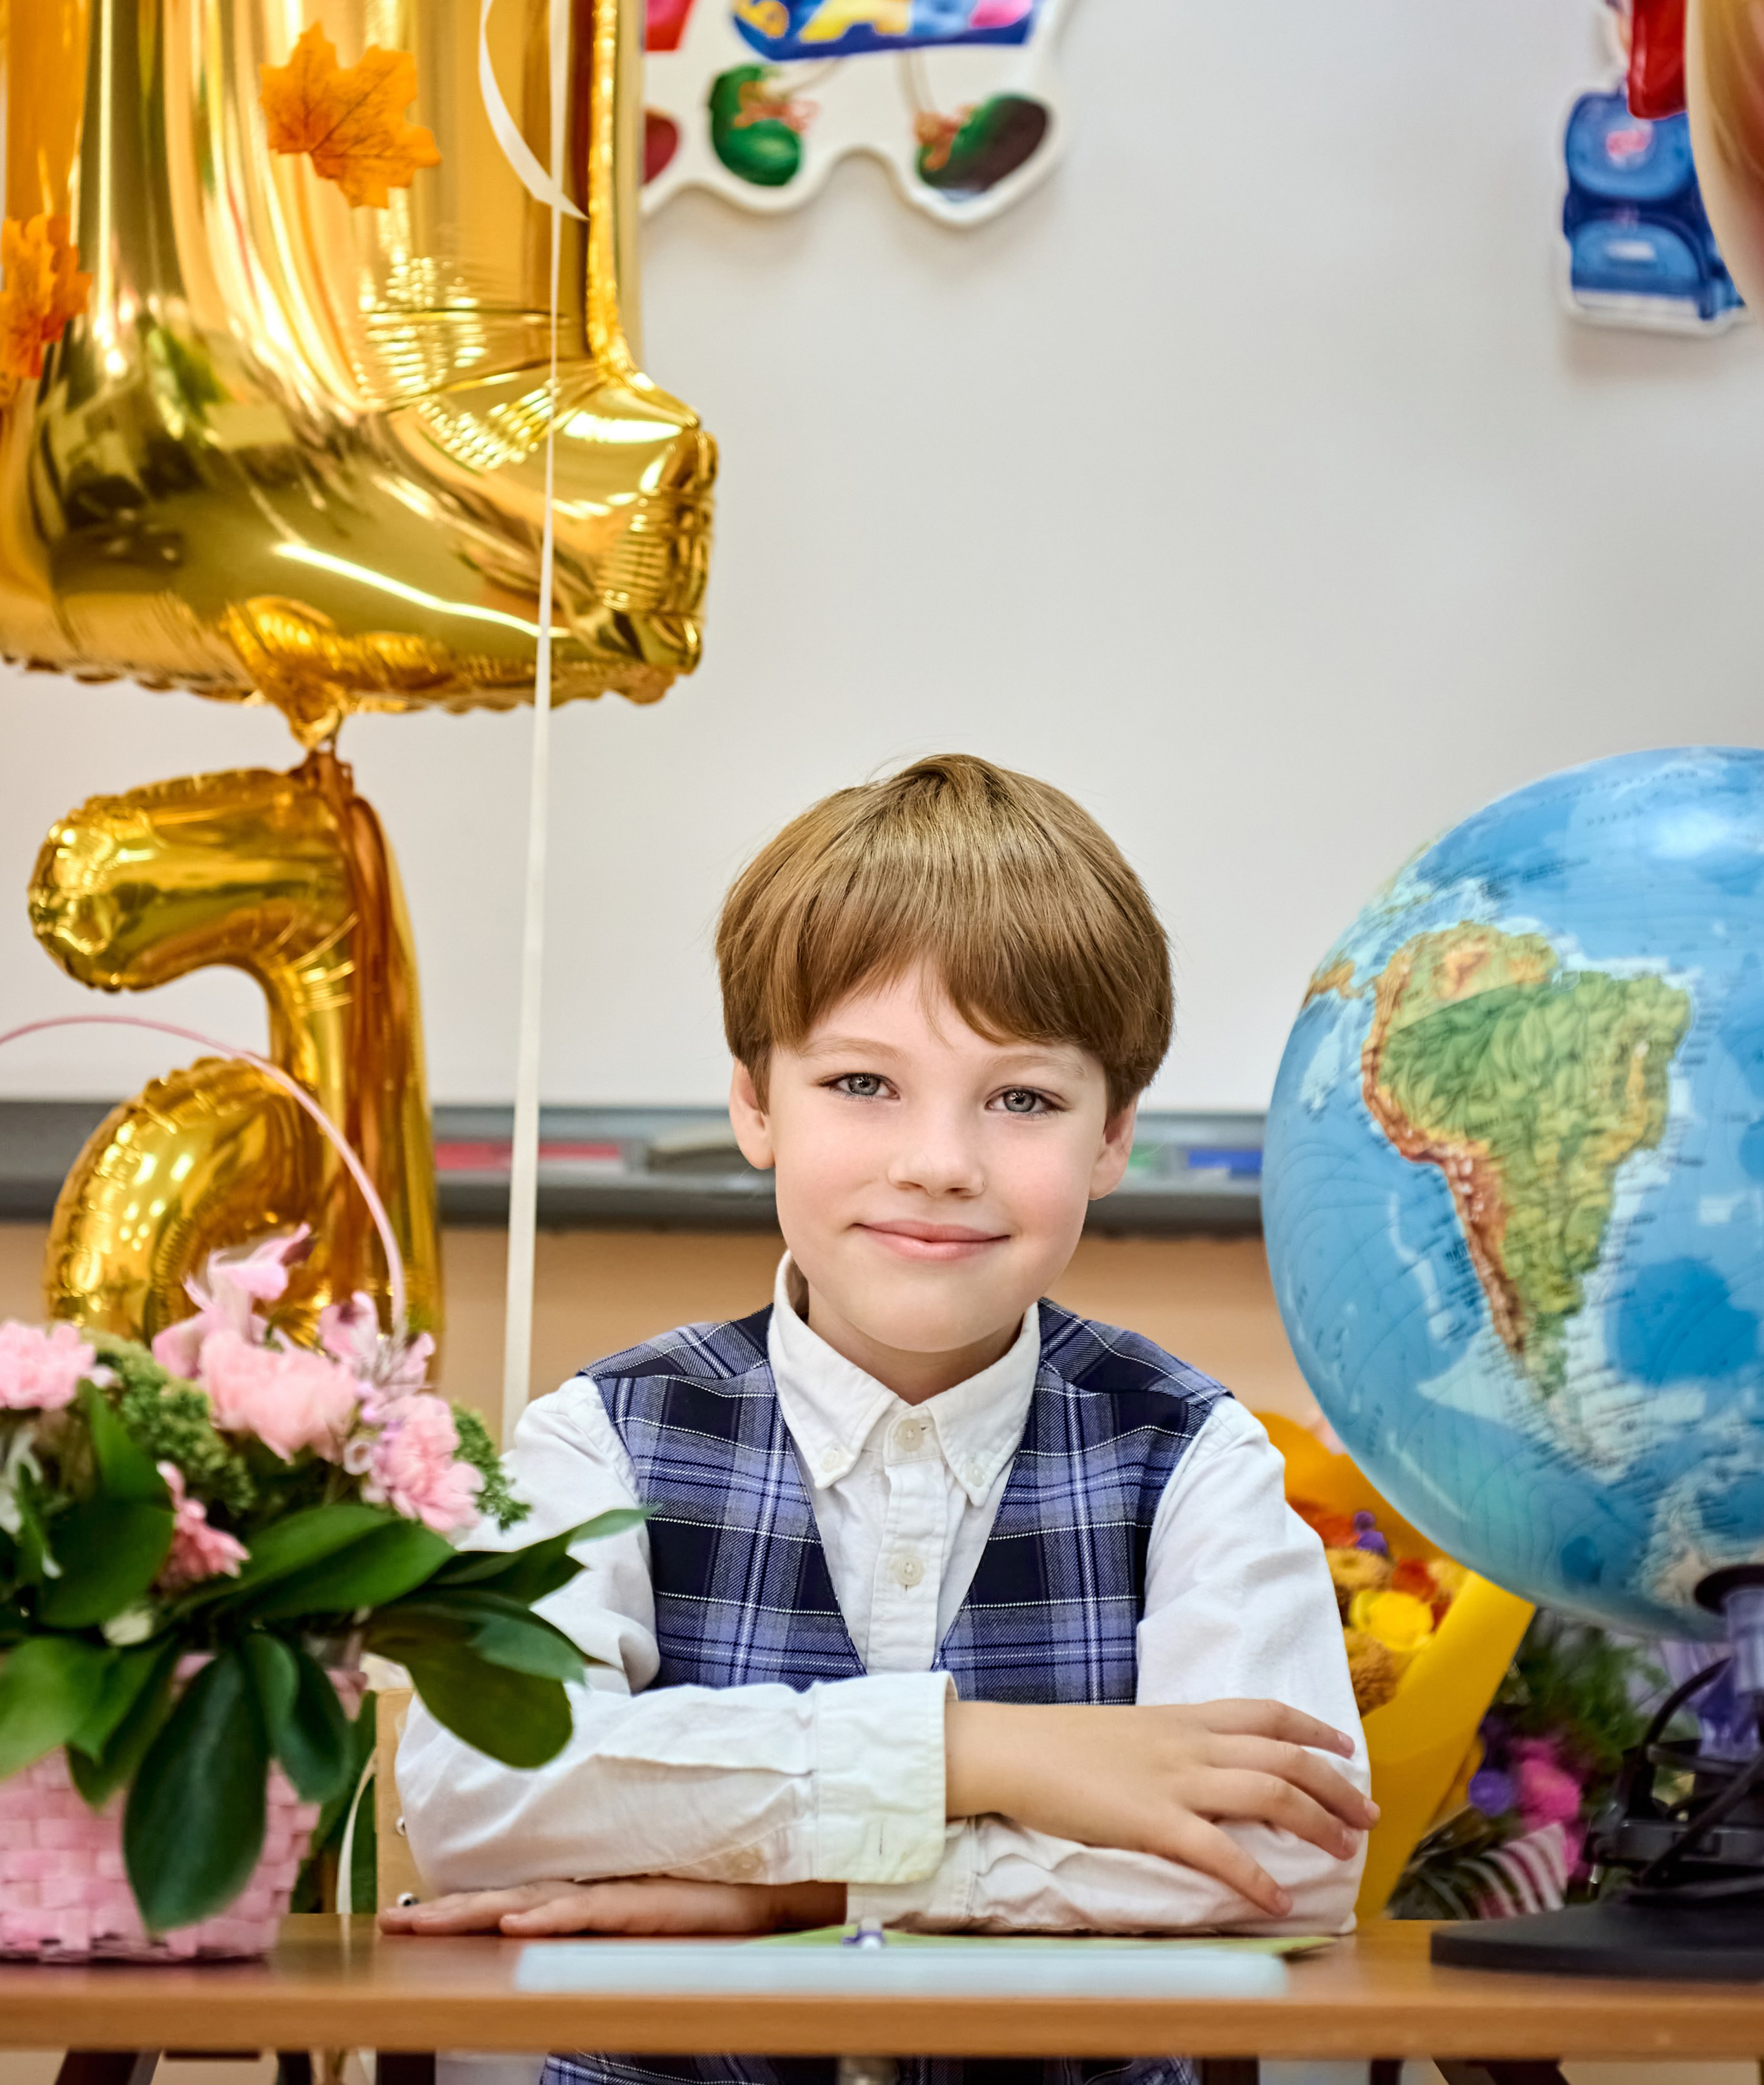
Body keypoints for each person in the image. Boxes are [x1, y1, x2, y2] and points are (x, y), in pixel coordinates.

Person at [386, 754, 1374, 2001]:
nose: (940, 1161)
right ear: (755, 1104)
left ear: (1112, 1136)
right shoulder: (601, 1437)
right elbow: (482, 1791)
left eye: (1021, 1096)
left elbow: (1290, 1854)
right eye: (863, 1083)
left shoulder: (1194, 1455)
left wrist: (815, 1893)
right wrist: (972, 1751)